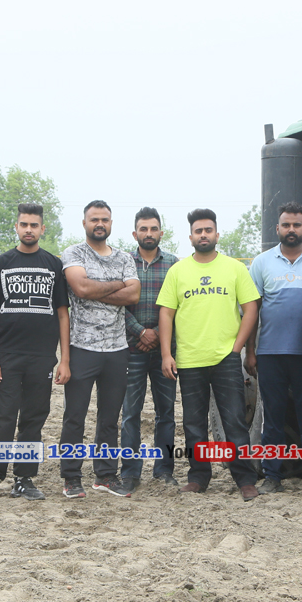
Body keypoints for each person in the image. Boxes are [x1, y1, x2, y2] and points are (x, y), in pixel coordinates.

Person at [158, 208, 261, 500]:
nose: (203, 235)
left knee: (235, 421)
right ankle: (198, 477)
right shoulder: (178, 271)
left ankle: (245, 479)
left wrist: (237, 348)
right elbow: (166, 314)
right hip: (189, 360)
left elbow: (251, 309)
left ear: (217, 234)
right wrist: (166, 354)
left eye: (208, 230)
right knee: (193, 424)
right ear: (191, 236)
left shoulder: (234, 268)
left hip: (226, 359)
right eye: (198, 231)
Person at [0, 203, 71, 504]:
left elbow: (62, 313)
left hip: (42, 357)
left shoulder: (53, 265)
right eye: (24, 224)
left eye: (34, 225)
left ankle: (24, 479)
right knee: (3, 418)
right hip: (7, 355)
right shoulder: (2, 263)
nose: (29, 229)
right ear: (16, 227)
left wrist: (64, 359)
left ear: (42, 229)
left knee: (33, 419)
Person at [245, 201, 302, 494]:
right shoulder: (261, 263)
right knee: (273, 417)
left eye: (297, 225)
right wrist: (250, 351)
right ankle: (272, 476)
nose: (291, 229)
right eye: (286, 225)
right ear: (277, 228)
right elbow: (252, 311)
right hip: (270, 354)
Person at [59, 201, 140, 498]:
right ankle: (71, 477)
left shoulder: (123, 257)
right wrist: (117, 284)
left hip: (117, 349)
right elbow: (80, 289)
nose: (99, 224)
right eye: (94, 219)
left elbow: (133, 294)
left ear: (111, 223)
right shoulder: (74, 253)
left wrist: (96, 289)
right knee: (74, 417)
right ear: (84, 223)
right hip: (82, 347)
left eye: (104, 219)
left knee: (109, 418)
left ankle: (105, 475)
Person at [120, 207, 179, 492]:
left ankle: (164, 470)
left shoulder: (174, 265)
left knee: (166, 413)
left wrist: (157, 334)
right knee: (130, 413)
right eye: (143, 229)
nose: (148, 233)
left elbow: (179, 305)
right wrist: (141, 332)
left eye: (153, 228)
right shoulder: (122, 263)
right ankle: (130, 472)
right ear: (135, 233)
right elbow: (116, 304)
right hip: (131, 349)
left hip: (165, 352)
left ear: (161, 233)